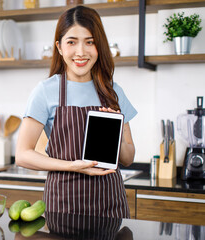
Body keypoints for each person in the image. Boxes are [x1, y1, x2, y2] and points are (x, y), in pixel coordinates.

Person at [15, 5, 137, 218]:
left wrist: (114, 131)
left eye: (90, 42)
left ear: (99, 46)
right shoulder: (45, 91)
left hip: (111, 206)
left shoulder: (113, 91)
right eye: (72, 42)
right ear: (60, 47)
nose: (81, 52)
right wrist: (73, 166)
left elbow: (128, 158)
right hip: (63, 206)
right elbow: (22, 155)